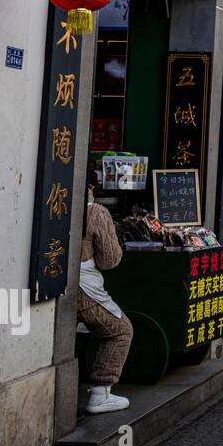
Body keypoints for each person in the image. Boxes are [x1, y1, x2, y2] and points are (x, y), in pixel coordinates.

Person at [77, 174, 133, 413]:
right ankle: (100, 394)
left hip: (53, 282)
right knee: (121, 330)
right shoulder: (95, 212)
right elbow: (110, 259)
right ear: (91, 187)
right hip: (83, 288)